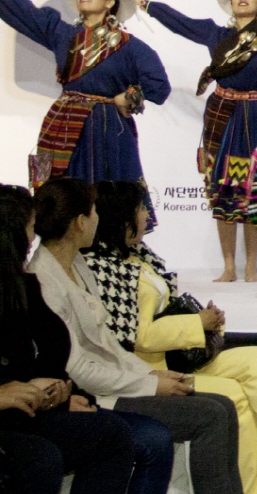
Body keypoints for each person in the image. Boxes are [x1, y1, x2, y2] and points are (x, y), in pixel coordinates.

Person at [84, 183, 257, 492]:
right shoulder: (103, 268)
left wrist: (203, 322)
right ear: (121, 218)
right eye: (141, 209)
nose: (147, 215)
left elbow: (160, 313)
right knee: (235, 398)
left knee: (255, 358)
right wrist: (196, 323)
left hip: (174, 356)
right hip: (147, 370)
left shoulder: (138, 256)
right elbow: (137, 336)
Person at [28, 179, 244, 494]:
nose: (98, 219)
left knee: (223, 406)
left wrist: (150, 374)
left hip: (118, 381)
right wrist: (149, 385)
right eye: (93, 212)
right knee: (209, 416)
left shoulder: (76, 263)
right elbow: (78, 368)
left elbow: (107, 343)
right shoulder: (44, 281)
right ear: (79, 222)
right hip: (97, 393)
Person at [0, 184, 170, 494]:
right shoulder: (39, 278)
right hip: (18, 416)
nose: (32, 237)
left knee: (110, 434)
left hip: (34, 408)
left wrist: (59, 392)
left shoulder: (26, 284)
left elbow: (55, 348)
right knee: (42, 458)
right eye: (28, 228)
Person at [138, 0, 257, 283]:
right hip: (223, 116)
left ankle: (251, 266)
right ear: (230, 4)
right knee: (223, 188)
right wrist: (146, 5)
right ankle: (229, 266)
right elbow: (181, 22)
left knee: (252, 188)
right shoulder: (217, 36)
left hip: (256, 117)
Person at [0, 0, 170, 190]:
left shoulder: (130, 47)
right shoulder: (62, 35)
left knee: (108, 198)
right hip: (61, 125)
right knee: (58, 197)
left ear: (110, 2)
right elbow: (19, 10)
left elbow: (159, 86)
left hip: (106, 130)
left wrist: (129, 96)